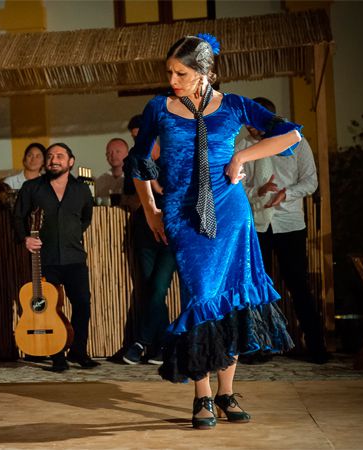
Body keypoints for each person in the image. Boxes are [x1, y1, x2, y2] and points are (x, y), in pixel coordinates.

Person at [128, 34, 301, 429]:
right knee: (201, 297)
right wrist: (151, 210)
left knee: (231, 299)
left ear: (206, 73)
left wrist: (242, 154)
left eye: (182, 73)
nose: (172, 78)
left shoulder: (236, 105)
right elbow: (139, 162)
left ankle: (225, 392)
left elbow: (290, 134)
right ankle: (201, 396)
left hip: (230, 210)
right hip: (182, 213)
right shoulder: (160, 108)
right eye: (170, 71)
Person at [237, 98, 329, 365]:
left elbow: (310, 181)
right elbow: (236, 187)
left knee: (298, 284)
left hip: (289, 223)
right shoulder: (242, 147)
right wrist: (258, 192)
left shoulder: (296, 141)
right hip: (257, 223)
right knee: (257, 286)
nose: (251, 129)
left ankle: (316, 346)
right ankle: (258, 347)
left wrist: (286, 193)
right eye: (248, 123)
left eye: (256, 123)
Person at [14, 143, 100, 372]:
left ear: (70, 161)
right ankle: (57, 356)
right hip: (44, 259)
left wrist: (68, 235)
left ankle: (79, 352)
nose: (54, 159)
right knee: (47, 307)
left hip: (74, 258)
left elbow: (85, 219)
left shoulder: (82, 190)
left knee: (82, 305)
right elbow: (18, 217)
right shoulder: (31, 188)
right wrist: (25, 239)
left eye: (60, 156)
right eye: (50, 156)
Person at [121, 118, 177, 366]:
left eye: (140, 135)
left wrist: (152, 182)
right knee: (150, 289)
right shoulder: (134, 159)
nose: (138, 141)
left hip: (170, 233)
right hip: (144, 232)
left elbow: (169, 192)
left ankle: (140, 341)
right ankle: (162, 345)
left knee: (158, 287)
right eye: (134, 136)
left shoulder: (173, 157)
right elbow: (129, 195)